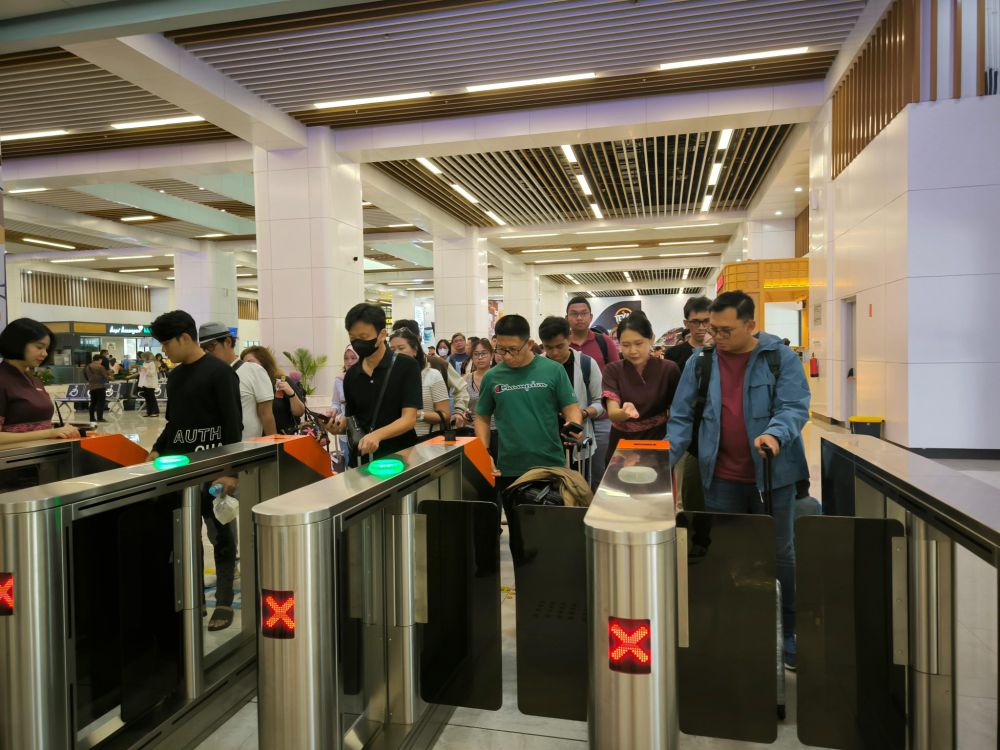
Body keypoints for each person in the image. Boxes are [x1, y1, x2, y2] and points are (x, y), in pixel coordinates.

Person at [666, 291, 811, 670]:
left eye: (726, 330)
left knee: (780, 556)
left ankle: (788, 633)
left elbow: (794, 406)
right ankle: (734, 628)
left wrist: (775, 435)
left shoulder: (780, 358)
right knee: (726, 554)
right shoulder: (701, 362)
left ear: (750, 325)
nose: (717, 337)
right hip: (721, 479)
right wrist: (660, 460)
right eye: (713, 329)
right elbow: (682, 419)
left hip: (771, 478)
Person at [148, 310, 243, 631]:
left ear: (185, 338)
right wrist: (158, 448)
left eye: (166, 343)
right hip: (181, 471)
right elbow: (174, 423)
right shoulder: (175, 377)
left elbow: (233, 425)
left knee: (221, 536)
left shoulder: (220, 373)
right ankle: (195, 599)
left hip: (215, 470)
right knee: (184, 537)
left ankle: (226, 602)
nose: (164, 350)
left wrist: (230, 470)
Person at [474, 314, 582, 558]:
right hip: (510, 470)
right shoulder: (493, 377)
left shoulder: (552, 371)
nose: (507, 356)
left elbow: (571, 406)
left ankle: (552, 590)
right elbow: (481, 417)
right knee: (521, 541)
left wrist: (574, 423)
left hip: (549, 467)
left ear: (530, 344)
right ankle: (525, 592)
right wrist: (484, 453)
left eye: (513, 349)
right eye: (501, 350)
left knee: (550, 538)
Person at [328, 303, 422, 465]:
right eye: (353, 338)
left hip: (400, 457)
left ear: (382, 335)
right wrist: (337, 427)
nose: (358, 343)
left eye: (364, 338)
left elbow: (409, 419)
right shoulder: (351, 375)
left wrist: (377, 435)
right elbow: (352, 419)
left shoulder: (406, 366)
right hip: (362, 461)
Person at [602, 311, 681, 461]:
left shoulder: (669, 369)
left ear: (651, 339)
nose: (632, 351)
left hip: (658, 441)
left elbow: (679, 412)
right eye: (625, 345)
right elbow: (613, 413)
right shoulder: (612, 370)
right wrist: (625, 412)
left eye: (639, 343)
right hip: (622, 445)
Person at [538, 316, 605, 489]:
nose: (554, 353)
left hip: (578, 440)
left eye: (560, 346)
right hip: (545, 442)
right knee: (550, 493)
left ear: (569, 338)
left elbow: (601, 403)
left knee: (578, 490)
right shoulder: (537, 367)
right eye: (548, 347)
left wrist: (583, 414)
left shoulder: (586, 364)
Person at [566, 296, 620, 486]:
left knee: (600, 470)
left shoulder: (604, 342)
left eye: (583, 313)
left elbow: (616, 376)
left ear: (591, 316)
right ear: (567, 318)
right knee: (572, 472)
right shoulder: (562, 345)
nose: (579, 318)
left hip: (602, 419)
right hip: (568, 421)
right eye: (574, 314)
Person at [0, 318, 79, 446]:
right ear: (17, 343)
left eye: (47, 349)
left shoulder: (33, 380)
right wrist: (49, 433)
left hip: (39, 458)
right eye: (39, 347)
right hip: (11, 462)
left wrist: (59, 430)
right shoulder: (3, 379)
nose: (45, 353)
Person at [199, 323, 276, 439]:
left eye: (211, 346)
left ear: (228, 342)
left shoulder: (253, 370)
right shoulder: (205, 374)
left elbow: (266, 415)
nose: (207, 352)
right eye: (203, 348)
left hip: (247, 447)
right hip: (214, 446)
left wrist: (274, 447)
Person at [396, 319, 470, 427]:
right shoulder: (389, 367)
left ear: (418, 339)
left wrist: (458, 411)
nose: (398, 351)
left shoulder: (438, 364)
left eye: (402, 346)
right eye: (394, 346)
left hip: (434, 434)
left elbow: (461, 388)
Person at [389, 328, 450, 439]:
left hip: (425, 441)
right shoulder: (388, 378)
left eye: (401, 348)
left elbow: (445, 415)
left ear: (415, 350)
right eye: (392, 350)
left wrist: (416, 415)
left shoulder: (432, 375)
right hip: (395, 440)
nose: (396, 353)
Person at [241, 345, 305, 434]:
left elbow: (299, 412)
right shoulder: (245, 386)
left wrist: (291, 393)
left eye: (250, 362)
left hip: (284, 438)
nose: (247, 367)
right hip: (256, 439)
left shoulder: (282, 381)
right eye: (244, 364)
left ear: (264, 362)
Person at [464, 338, 497, 454]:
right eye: (476, 354)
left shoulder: (500, 377)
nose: (480, 357)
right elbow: (460, 403)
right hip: (473, 431)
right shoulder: (466, 379)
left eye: (484, 353)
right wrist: (463, 412)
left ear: (491, 355)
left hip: (498, 431)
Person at [665, 296, 713, 371]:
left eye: (706, 321)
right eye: (695, 322)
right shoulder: (673, 354)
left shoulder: (720, 352)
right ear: (686, 323)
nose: (701, 327)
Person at [85, 353, 112, 423]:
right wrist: (109, 377)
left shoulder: (88, 366)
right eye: (101, 360)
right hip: (100, 387)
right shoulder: (100, 367)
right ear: (99, 360)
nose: (101, 361)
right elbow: (106, 377)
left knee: (93, 403)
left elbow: (86, 377)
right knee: (101, 402)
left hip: (91, 387)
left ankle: (92, 418)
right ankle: (100, 418)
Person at [137, 351, 160, 417]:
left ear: (147, 357)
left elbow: (151, 373)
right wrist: (140, 369)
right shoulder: (144, 363)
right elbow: (141, 373)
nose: (142, 358)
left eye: (143, 357)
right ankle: (149, 412)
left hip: (150, 383)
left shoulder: (152, 363)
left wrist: (144, 369)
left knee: (152, 398)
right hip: (144, 383)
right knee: (147, 399)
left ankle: (155, 412)